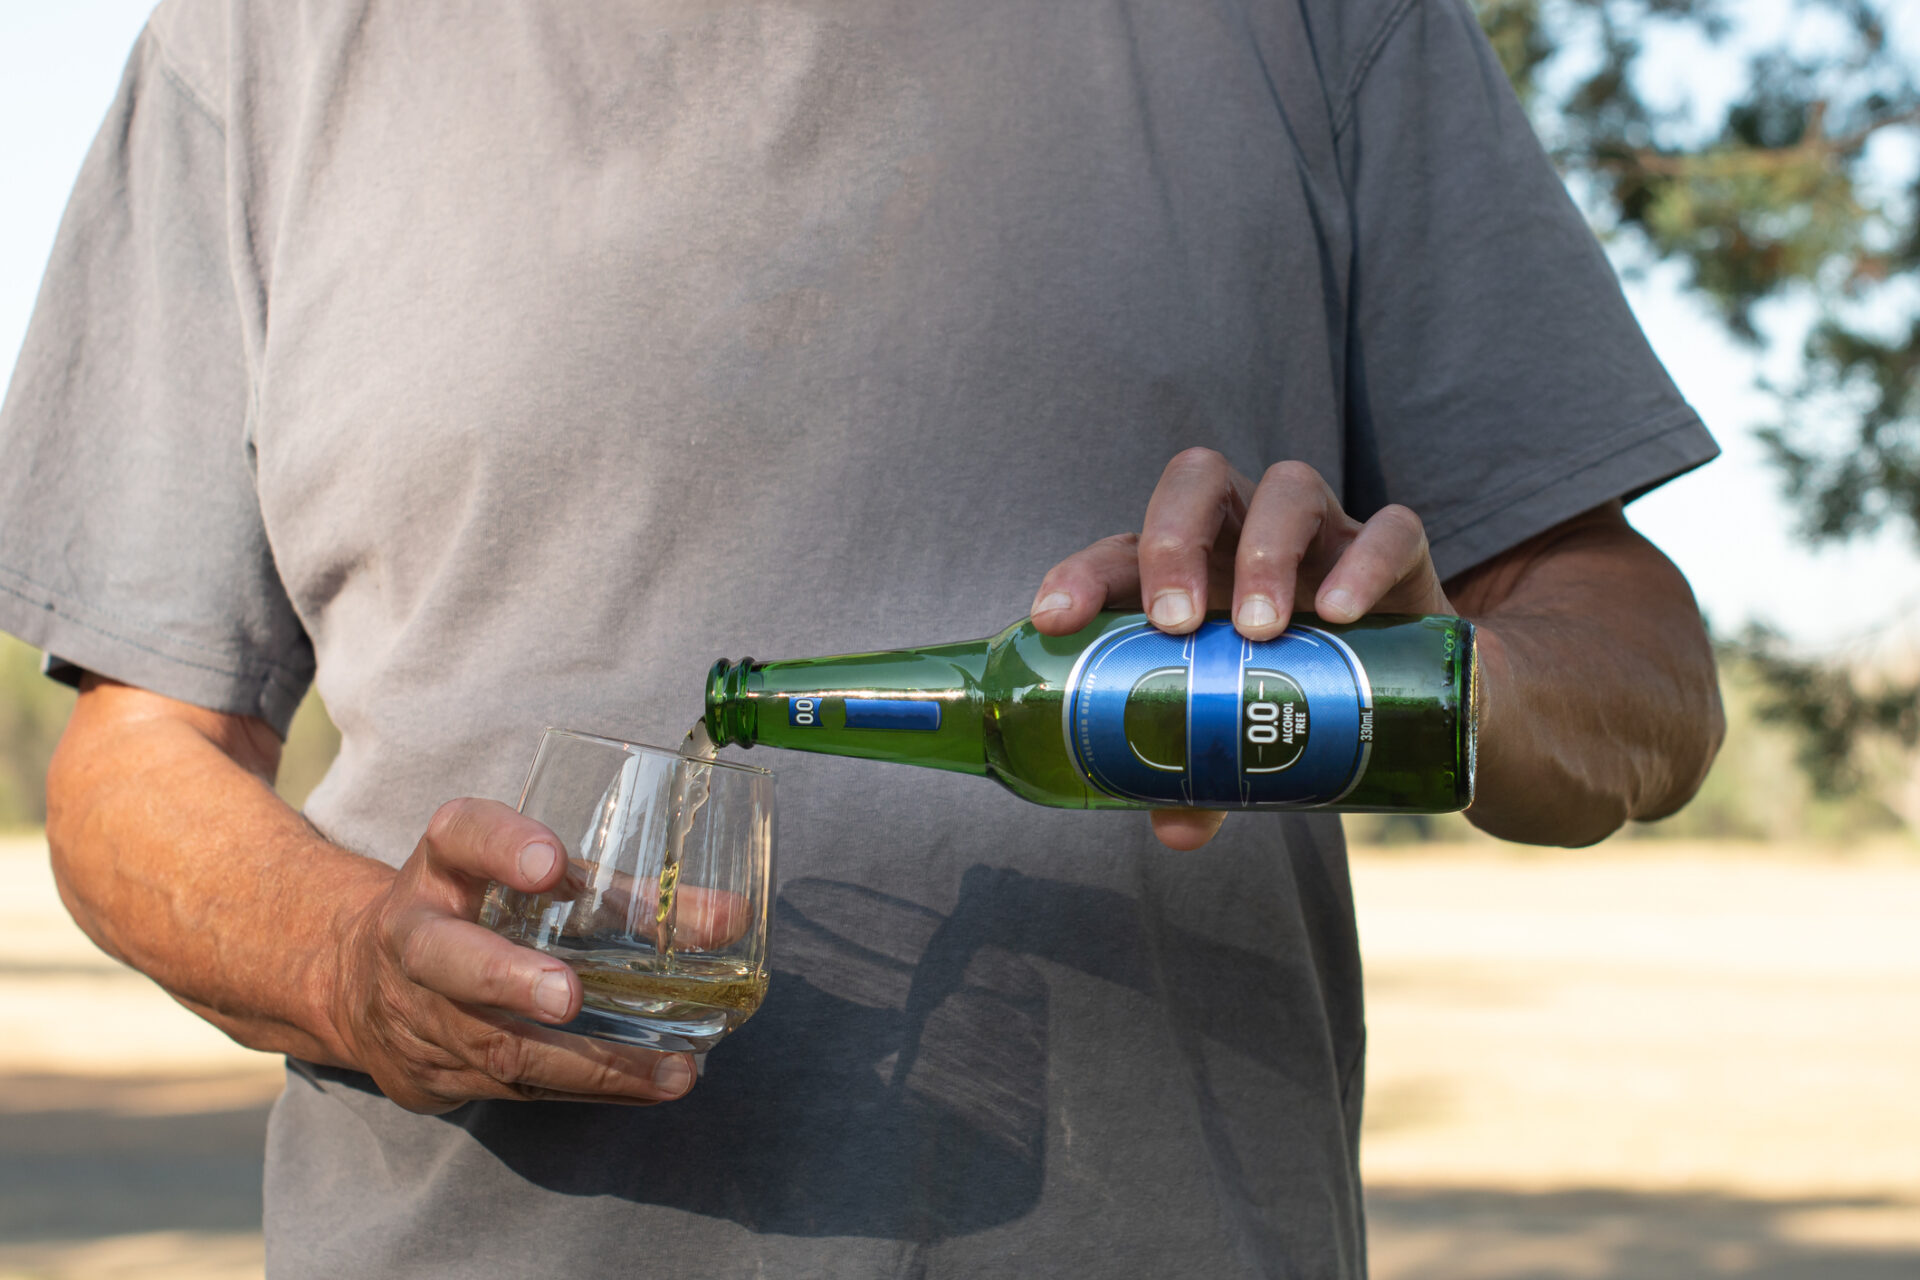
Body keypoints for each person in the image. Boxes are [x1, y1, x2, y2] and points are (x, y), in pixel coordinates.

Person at [0, 0, 1722, 1275]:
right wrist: (353, 967)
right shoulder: (262, 44)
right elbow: (133, 761)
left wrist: (1416, 678)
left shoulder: (1314, 23)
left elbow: (1641, 679)